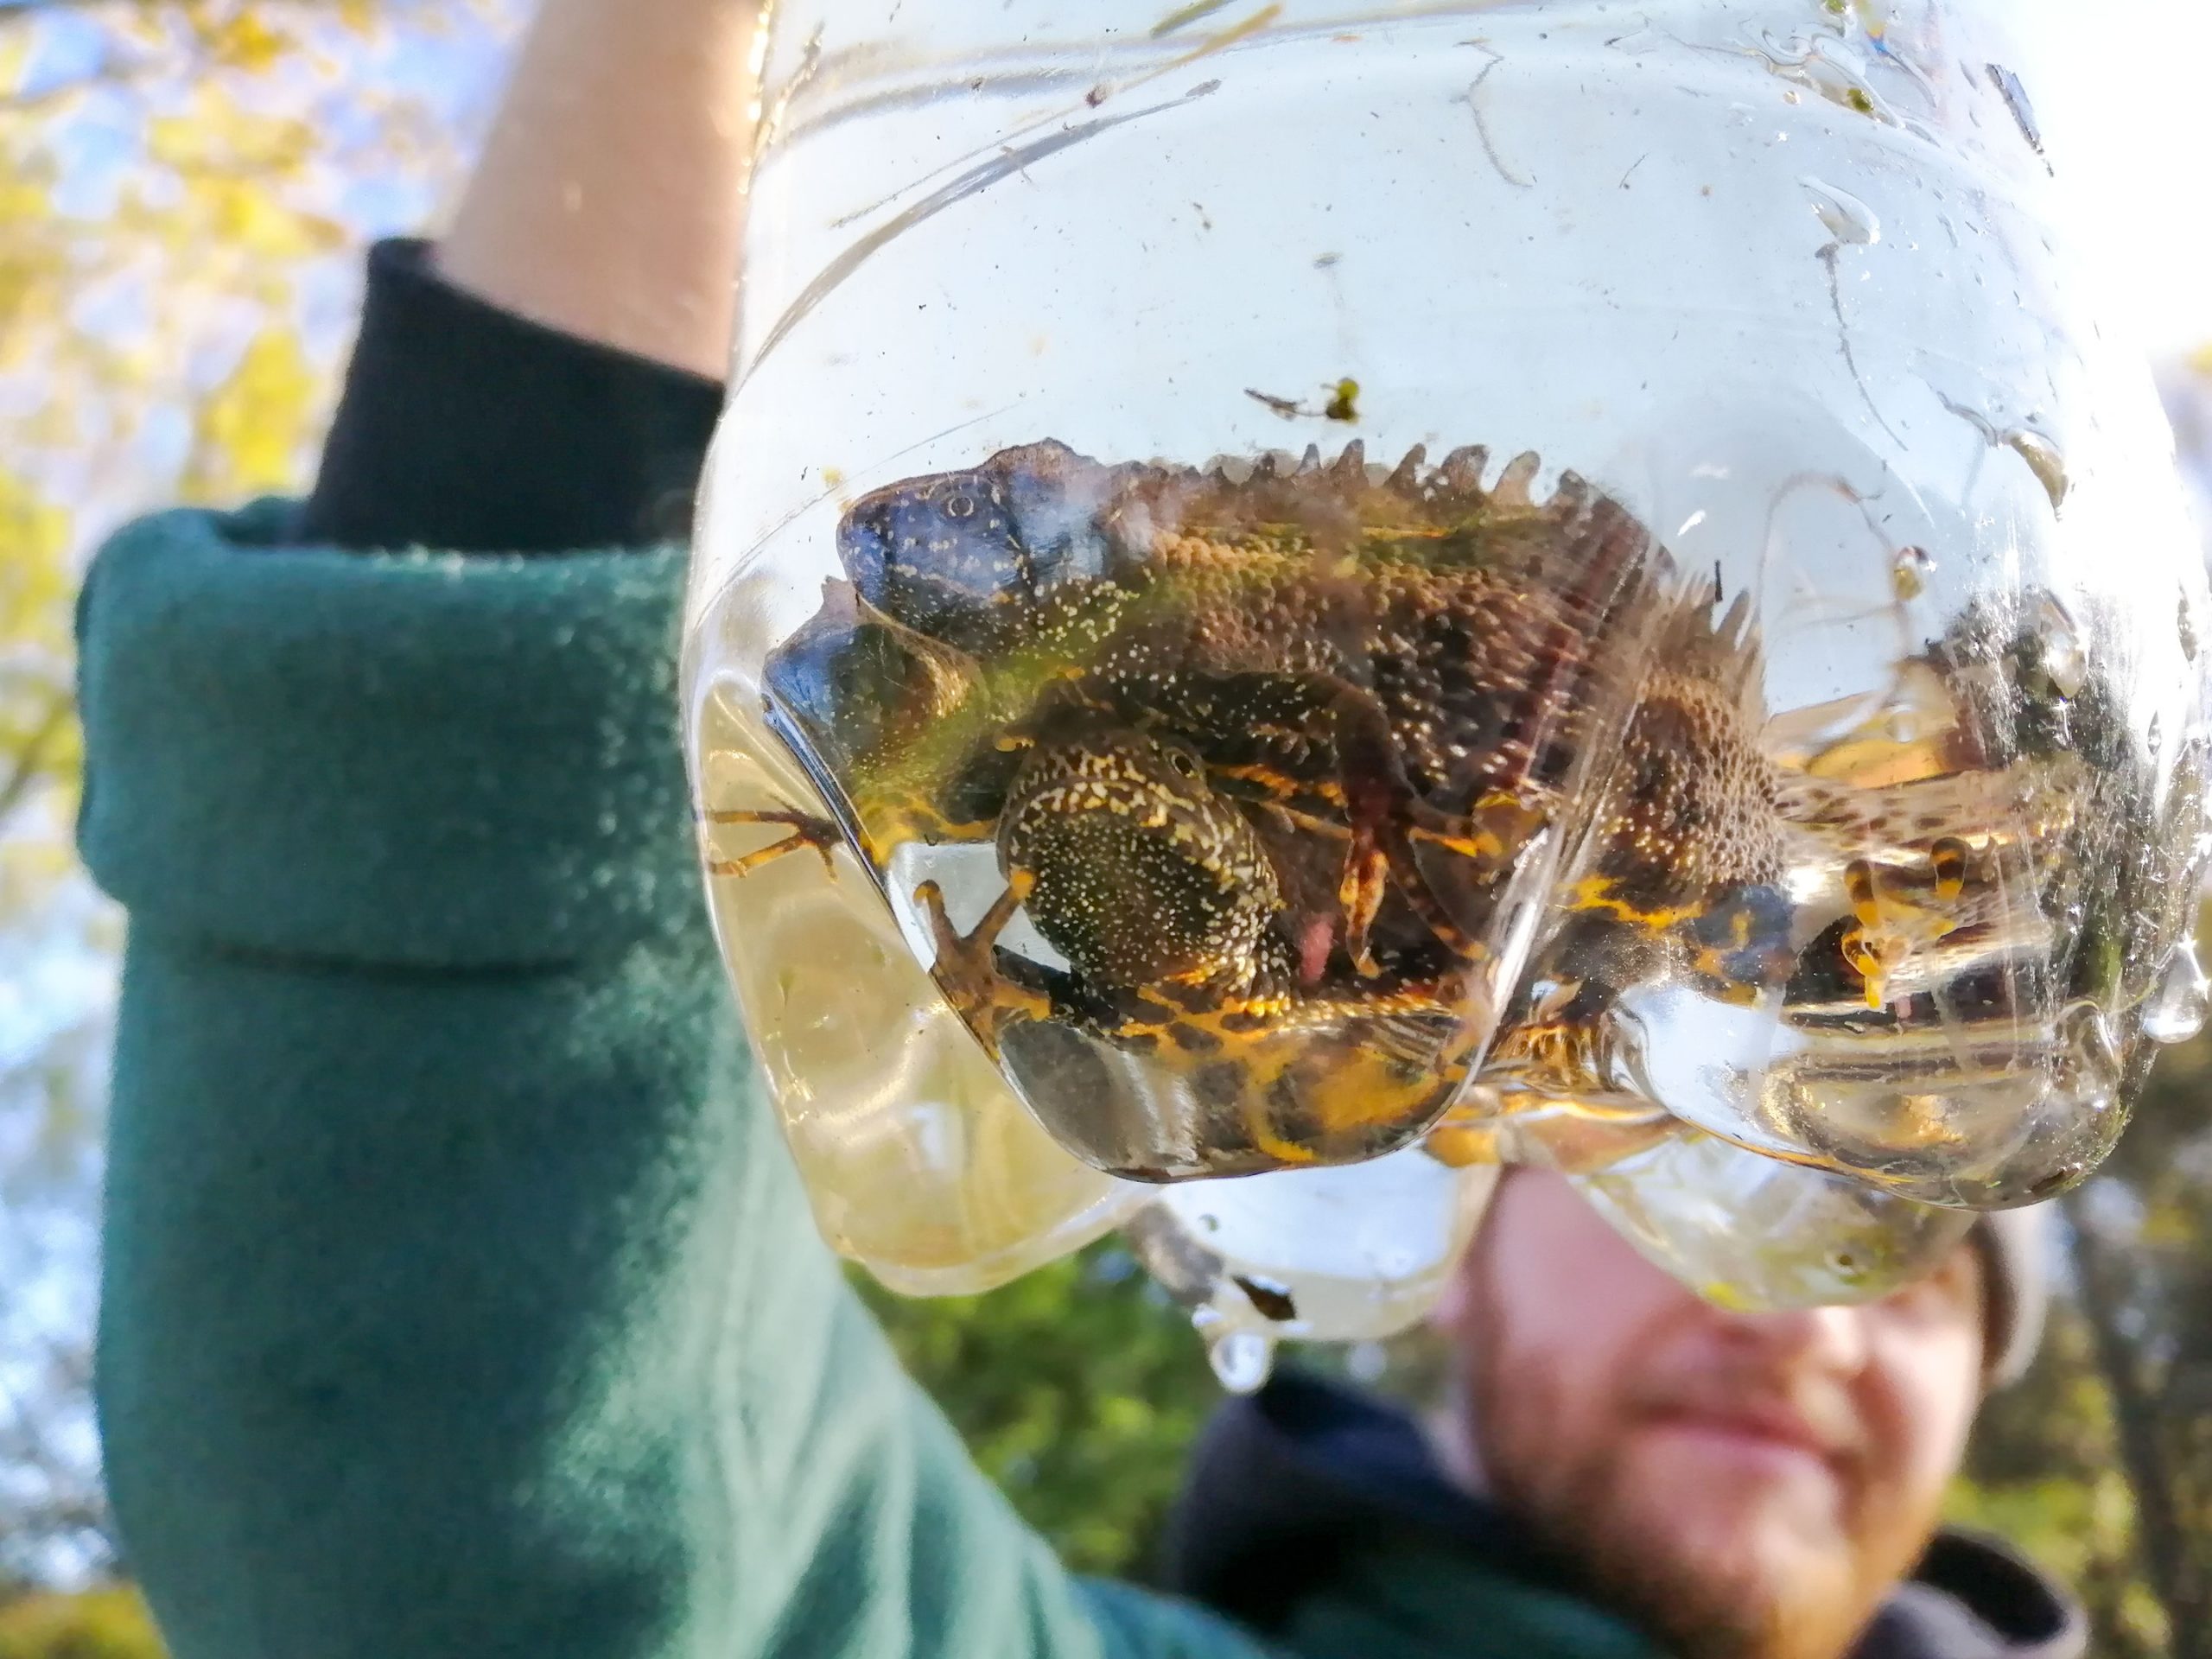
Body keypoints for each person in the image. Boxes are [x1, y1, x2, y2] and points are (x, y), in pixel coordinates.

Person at [74, 2, 2084, 1656]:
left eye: (1920, 1280)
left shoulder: (1742, 845)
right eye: (1630, 1139)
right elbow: (461, 1527)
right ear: (1469, 1218)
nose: (1793, 1321)